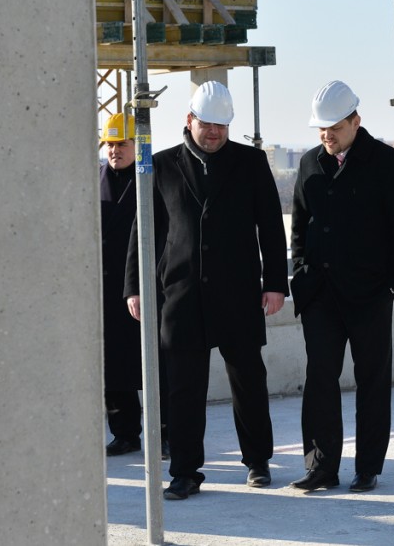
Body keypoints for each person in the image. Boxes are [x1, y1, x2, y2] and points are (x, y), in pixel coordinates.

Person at [124, 81, 288, 500]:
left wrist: (275, 285)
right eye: (207, 124)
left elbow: (271, 226)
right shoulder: (161, 165)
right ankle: (184, 472)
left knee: (248, 382)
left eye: (221, 125)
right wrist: (135, 287)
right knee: (183, 390)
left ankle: (257, 460)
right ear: (189, 120)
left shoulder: (251, 163)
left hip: (238, 294)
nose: (214, 132)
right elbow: (143, 232)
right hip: (180, 296)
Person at [289, 80, 394, 493]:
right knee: (320, 380)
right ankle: (321, 467)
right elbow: (299, 225)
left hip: (369, 296)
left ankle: (368, 467)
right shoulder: (310, 163)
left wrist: (391, 283)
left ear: (355, 122)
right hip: (320, 294)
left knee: (372, 381)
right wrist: (300, 273)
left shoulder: (385, 161)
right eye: (321, 129)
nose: (327, 136)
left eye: (335, 128)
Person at [99, 112, 168, 460]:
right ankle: (124, 432)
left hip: (147, 287)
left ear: (136, 145)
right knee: (113, 367)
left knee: (157, 365)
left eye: (121, 144)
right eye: (110, 145)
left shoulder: (152, 179)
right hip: (106, 290)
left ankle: (166, 433)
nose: (115, 151)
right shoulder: (95, 181)